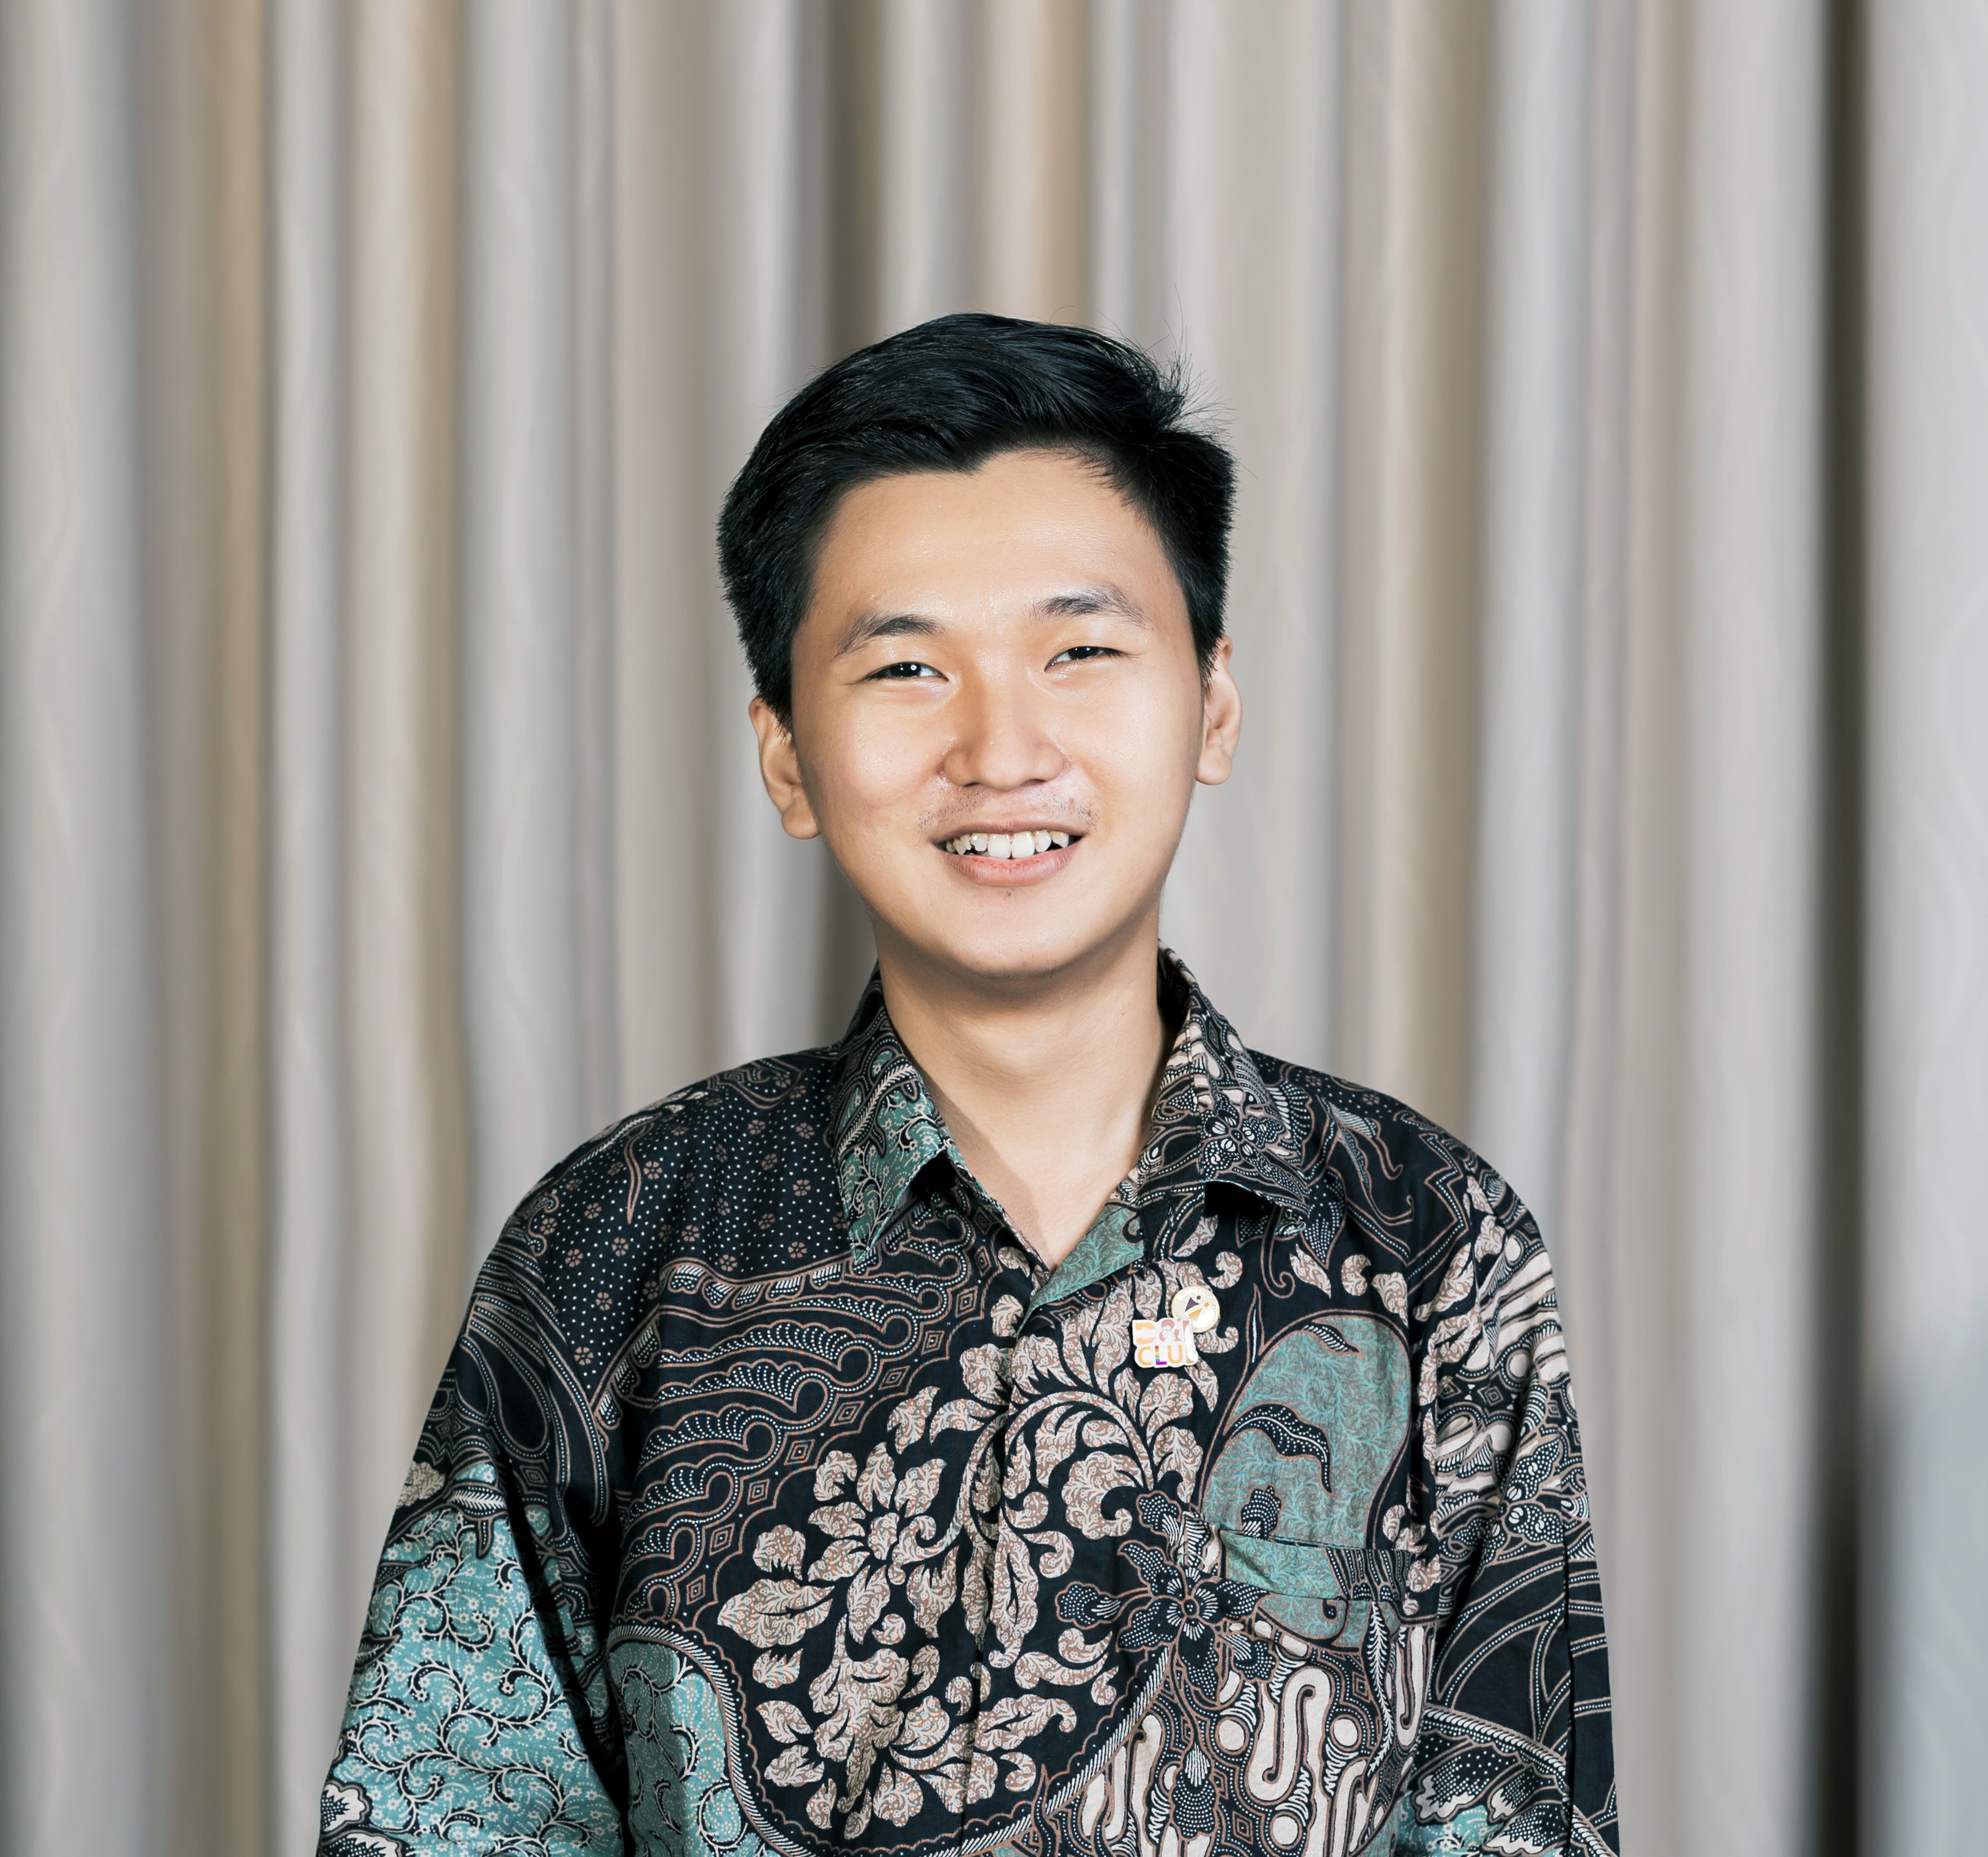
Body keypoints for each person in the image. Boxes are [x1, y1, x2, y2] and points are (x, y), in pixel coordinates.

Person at [319, 314, 1618, 1857]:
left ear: (1210, 703)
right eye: (907, 666)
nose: (1002, 748)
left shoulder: (1430, 1242)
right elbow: (446, 1817)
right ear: (786, 756)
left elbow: (1515, 1816)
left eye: (1079, 651)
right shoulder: (616, 1246)